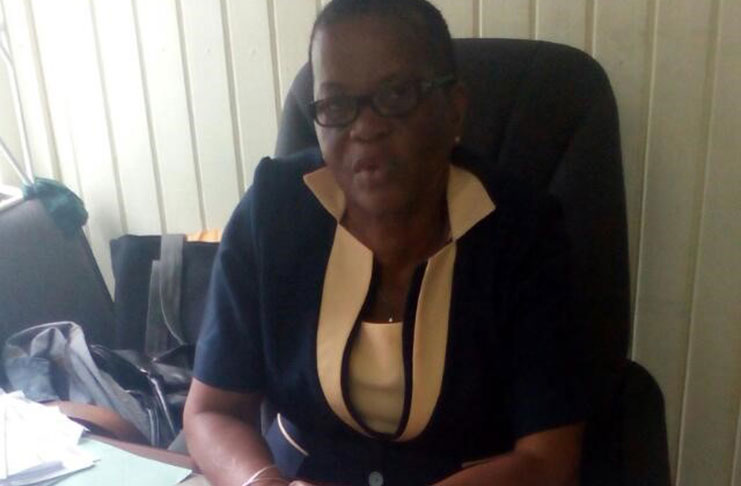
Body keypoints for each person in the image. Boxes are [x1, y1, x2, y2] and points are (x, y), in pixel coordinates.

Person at [183, 0, 586, 485]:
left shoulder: (522, 232)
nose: (365, 127)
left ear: (454, 107)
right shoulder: (272, 213)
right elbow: (211, 412)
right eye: (336, 105)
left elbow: (547, 458)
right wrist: (263, 483)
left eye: (397, 94)